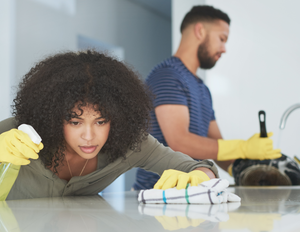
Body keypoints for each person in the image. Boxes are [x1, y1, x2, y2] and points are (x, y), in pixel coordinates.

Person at [0, 50, 219, 200]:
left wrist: (199, 178)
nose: (89, 136)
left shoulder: (129, 144)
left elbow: (201, 169)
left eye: (101, 121)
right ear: (54, 117)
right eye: (75, 121)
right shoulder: (15, 134)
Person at [133, 5, 281, 190]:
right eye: (222, 39)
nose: (224, 49)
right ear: (200, 31)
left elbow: (218, 150)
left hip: (190, 194)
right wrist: (242, 147)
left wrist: (254, 167)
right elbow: (179, 142)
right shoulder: (168, 76)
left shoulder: (202, 89)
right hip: (157, 195)